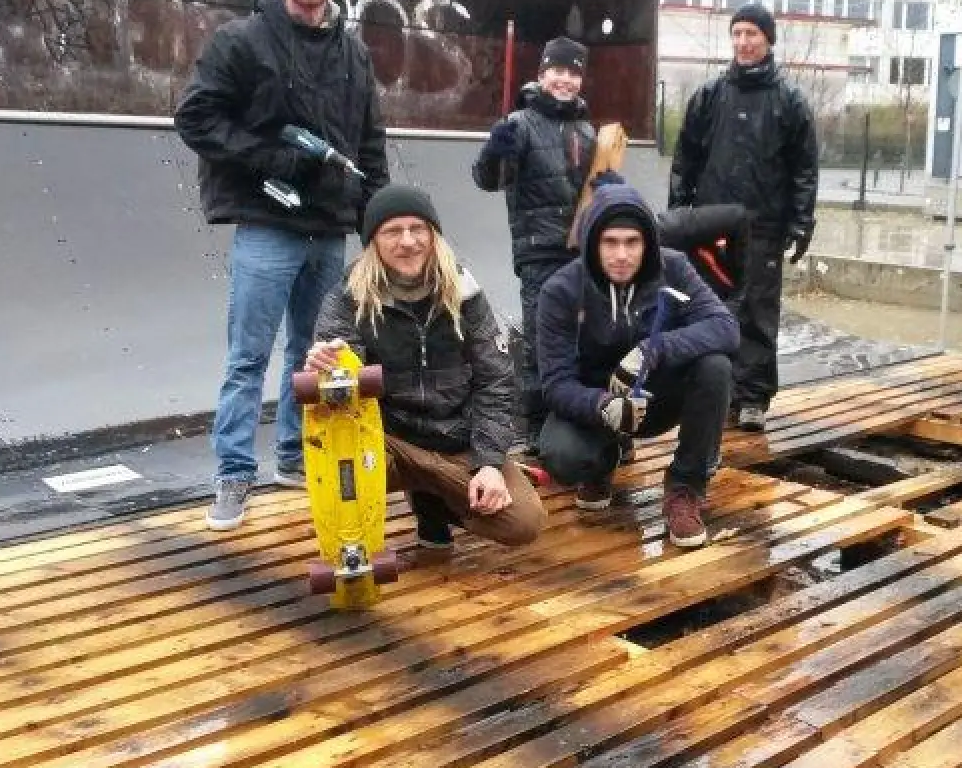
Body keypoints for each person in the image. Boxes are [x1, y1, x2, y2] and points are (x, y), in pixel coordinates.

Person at [174, 0, 388, 531]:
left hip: (330, 226)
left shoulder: (353, 53)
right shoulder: (242, 41)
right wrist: (270, 158)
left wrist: (374, 215)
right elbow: (196, 117)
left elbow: (370, 141)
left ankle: (295, 458)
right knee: (248, 356)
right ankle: (233, 476)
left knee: (313, 352)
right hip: (267, 223)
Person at [305, 186, 546, 555]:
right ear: (374, 242)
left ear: (433, 235)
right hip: (389, 443)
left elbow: (495, 382)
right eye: (392, 231)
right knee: (342, 468)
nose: (407, 241)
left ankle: (433, 499)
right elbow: (337, 394)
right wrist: (322, 369)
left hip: (456, 438)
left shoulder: (465, 293)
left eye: (418, 228)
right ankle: (427, 493)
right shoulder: (347, 297)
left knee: (524, 523)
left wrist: (490, 464)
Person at [535, 178, 740, 548]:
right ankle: (602, 460)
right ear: (592, 243)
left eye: (632, 242)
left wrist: (657, 347)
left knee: (716, 367)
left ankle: (685, 488)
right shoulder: (560, 291)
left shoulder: (674, 268)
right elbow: (555, 383)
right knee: (561, 457)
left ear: (648, 243)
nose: (622, 255)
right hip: (598, 404)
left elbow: (726, 327)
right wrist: (602, 406)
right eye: (610, 242)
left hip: (656, 398)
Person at [669, 2, 819, 433]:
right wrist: (680, 213)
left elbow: (804, 167)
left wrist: (801, 221)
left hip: (762, 227)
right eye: (737, 34)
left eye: (752, 33)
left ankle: (751, 396)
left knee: (757, 311)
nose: (743, 42)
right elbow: (686, 159)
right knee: (708, 306)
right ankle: (709, 390)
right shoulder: (709, 97)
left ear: (767, 40)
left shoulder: (790, 102)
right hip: (712, 226)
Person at [473, 37, 597, 454]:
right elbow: (488, 179)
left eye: (573, 72)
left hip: (582, 252)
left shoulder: (587, 129)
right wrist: (494, 152)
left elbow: (594, 189)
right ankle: (536, 430)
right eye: (557, 71)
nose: (564, 79)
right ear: (542, 75)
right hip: (539, 251)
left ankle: (582, 420)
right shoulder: (519, 124)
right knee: (543, 342)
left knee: (586, 338)